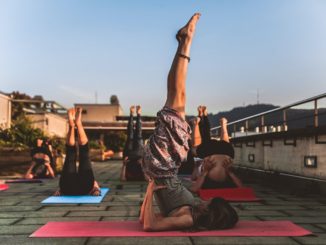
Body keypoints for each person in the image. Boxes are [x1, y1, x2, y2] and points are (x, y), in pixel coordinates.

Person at [140, 13, 238, 232]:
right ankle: (185, 42)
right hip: (167, 167)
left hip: (162, 167)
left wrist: (150, 188)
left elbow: (148, 225)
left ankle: (186, 41)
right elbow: (149, 217)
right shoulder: (191, 210)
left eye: (208, 203)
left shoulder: (188, 219)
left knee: (176, 98)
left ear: (210, 213)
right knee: (178, 99)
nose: (204, 201)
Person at [190, 106, 243, 193]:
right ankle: (195, 124)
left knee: (225, 145)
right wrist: (229, 172)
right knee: (195, 149)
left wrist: (230, 172)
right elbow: (194, 188)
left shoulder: (225, 181)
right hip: (209, 154)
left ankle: (223, 125)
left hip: (226, 153)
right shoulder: (206, 180)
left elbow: (241, 188)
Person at [53, 108, 100, 196]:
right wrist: (96, 189)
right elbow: (96, 189)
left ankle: (76, 125)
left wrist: (95, 187)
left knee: (84, 154)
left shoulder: (92, 183)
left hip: (73, 187)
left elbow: (95, 186)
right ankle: (76, 124)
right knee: (71, 154)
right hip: (69, 188)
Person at [120, 105, 145, 181]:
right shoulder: (141, 177)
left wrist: (124, 165)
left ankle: (134, 114)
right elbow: (147, 178)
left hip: (129, 156)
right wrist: (142, 164)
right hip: (137, 155)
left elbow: (122, 179)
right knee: (136, 134)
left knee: (133, 134)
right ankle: (136, 114)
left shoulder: (130, 177)